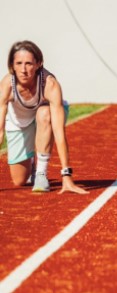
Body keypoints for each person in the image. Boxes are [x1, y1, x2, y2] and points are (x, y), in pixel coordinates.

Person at [0, 40, 88, 194]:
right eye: (19, 63)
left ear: (38, 63)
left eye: (28, 63)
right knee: (19, 180)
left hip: (45, 115)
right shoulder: (7, 84)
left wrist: (66, 175)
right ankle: (32, 162)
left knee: (44, 113)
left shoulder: (50, 84)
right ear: (12, 65)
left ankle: (41, 173)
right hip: (19, 121)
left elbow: (59, 132)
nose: (23, 69)